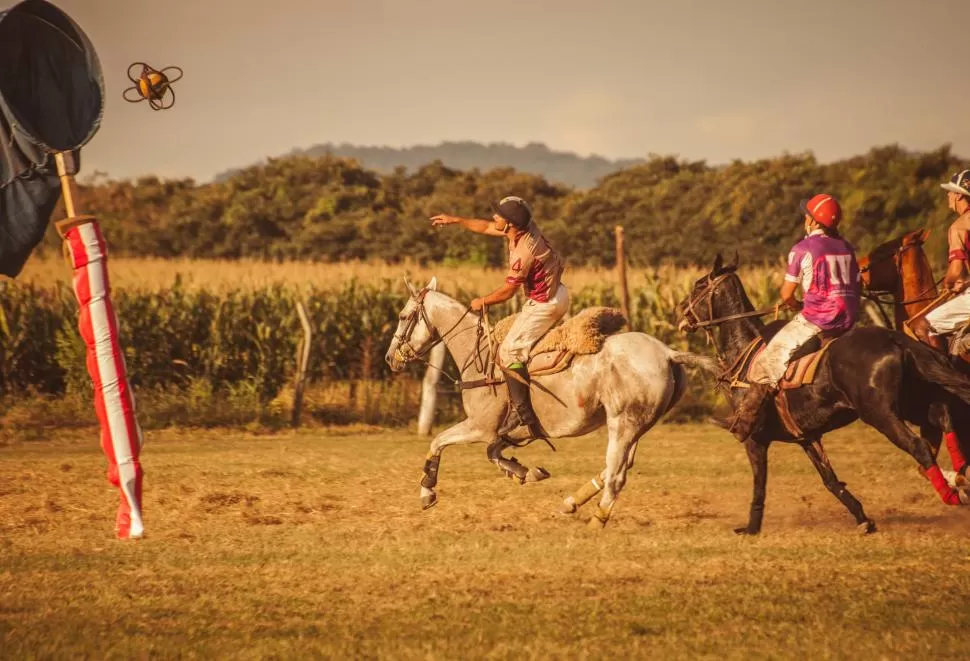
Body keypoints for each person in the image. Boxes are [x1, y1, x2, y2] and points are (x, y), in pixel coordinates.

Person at [431, 196, 569, 439]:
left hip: (545, 304)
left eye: (499, 216)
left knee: (509, 352)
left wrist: (482, 301)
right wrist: (457, 220)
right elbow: (485, 226)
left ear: (510, 224)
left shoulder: (524, 253)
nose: (494, 217)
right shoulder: (521, 229)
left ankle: (523, 414)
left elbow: (507, 292)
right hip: (554, 294)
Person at [726, 194, 861, 441]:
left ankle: (747, 422)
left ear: (812, 221)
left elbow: (786, 293)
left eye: (806, 216)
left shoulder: (803, 249)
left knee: (767, 361)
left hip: (819, 319)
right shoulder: (848, 247)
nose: (804, 219)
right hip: (850, 319)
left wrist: (795, 304)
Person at [911, 170, 970, 351]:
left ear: (959, 195)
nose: (948, 195)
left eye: (950, 191)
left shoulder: (959, 227)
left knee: (922, 326)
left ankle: (944, 378)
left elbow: (956, 268)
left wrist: (949, 283)